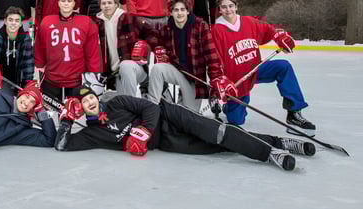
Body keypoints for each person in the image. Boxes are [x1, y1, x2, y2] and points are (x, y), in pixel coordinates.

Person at [54, 86, 316, 171]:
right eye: (82, 102)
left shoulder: (117, 102)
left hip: (171, 116)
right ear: (78, 107)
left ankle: (271, 153)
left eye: (90, 97)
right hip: (166, 142)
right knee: (216, 146)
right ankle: (277, 141)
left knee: (218, 132)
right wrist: (66, 120)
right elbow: (63, 145)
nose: (89, 102)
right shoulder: (90, 133)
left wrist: (143, 131)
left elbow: (152, 107)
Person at [211, 0, 316, 136]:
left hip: (256, 70)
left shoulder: (249, 22)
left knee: (283, 67)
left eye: (231, 6)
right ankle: (228, 108)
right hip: (236, 82)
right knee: (236, 121)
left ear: (236, 6)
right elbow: (215, 59)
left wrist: (280, 36)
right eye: (224, 7)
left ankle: (294, 113)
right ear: (219, 10)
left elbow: (270, 29)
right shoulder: (217, 30)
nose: (228, 9)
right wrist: (221, 80)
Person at [145, 0, 229, 111]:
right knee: (157, 69)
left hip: (194, 77)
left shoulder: (200, 26)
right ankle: (152, 107)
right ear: (171, 12)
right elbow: (153, 36)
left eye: (182, 9)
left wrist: (216, 78)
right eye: (176, 10)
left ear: (188, 11)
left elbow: (211, 55)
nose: (179, 13)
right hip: (178, 70)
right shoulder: (167, 27)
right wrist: (157, 47)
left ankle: (184, 98)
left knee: (190, 114)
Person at [34, 0, 101, 102]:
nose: (66, 3)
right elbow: (39, 48)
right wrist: (39, 67)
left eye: (69, 1)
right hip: (51, 80)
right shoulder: (46, 21)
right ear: (58, 3)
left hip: (77, 82)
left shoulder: (86, 22)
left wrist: (94, 74)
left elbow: (93, 53)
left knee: (77, 116)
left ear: (74, 3)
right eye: (63, 0)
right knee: (48, 114)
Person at [0, 6, 35, 95]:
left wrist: (27, 83)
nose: (13, 23)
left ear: (20, 23)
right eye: (10, 20)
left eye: (16, 20)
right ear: (5, 21)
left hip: (15, 80)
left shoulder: (25, 39)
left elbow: (28, 64)